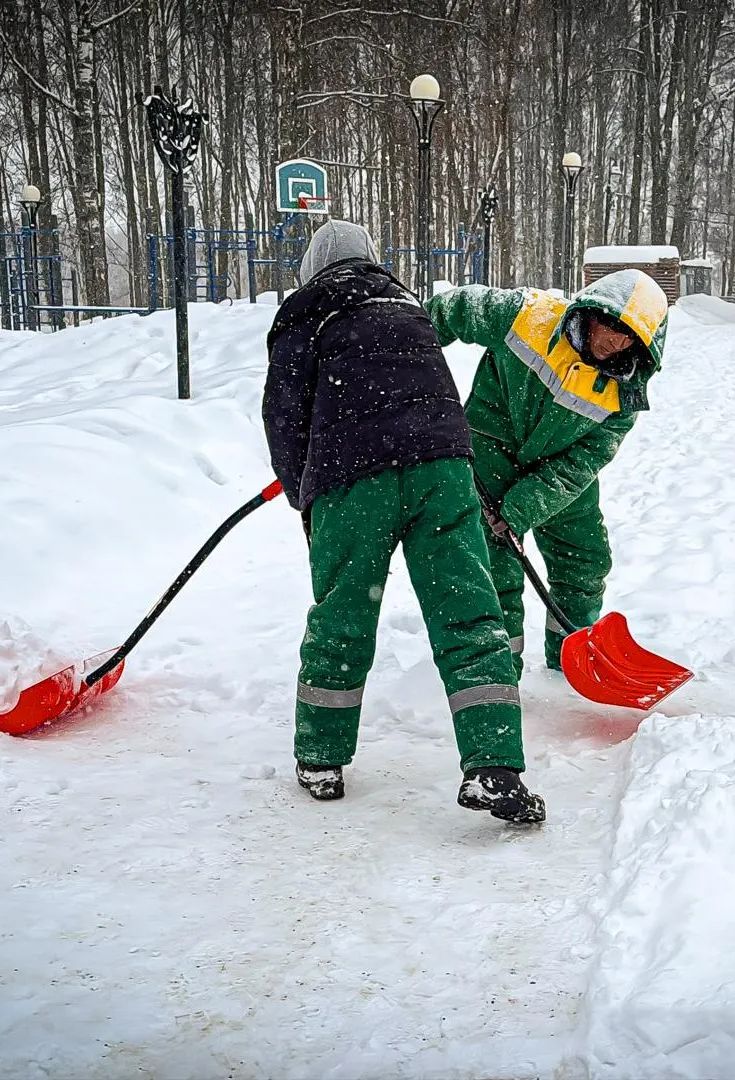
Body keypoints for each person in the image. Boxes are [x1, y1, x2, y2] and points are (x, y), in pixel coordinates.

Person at [262, 220, 544, 824]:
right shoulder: (411, 310)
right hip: (443, 469)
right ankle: (496, 766)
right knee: (469, 611)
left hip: (352, 475)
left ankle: (321, 756)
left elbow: (284, 418)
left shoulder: (305, 311)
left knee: (344, 611)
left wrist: (303, 496)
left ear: (314, 267)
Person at [425, 269, 668, 676]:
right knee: (495, 561)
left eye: (627, 335)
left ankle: (570, 662)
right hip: (491, 452)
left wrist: (520, 509)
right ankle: (499, 665)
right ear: (589, 312)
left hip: (560, 478)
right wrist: (401, 356)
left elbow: (584, 462)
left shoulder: (625, 394)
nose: (611, 339)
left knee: (585, 561)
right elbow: (452, 309)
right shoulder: (527, 315)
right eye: (606, 323)